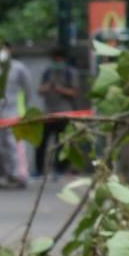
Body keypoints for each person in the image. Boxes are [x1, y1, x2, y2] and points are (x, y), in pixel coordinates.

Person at [0, 41, 34, 187]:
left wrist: (25, 109)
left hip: (14, 111)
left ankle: (21, 174)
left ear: (10, 50)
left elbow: (28, 89)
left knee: (14, 143)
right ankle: (10, 174)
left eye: (3, 49)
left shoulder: (19, 68)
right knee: (0, 144)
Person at [38, 46, 86, 175]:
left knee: (63, 142)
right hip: (48, 113)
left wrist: (59, 89)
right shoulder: (47, 72)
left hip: (65, 113)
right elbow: (40, 90)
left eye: (58, 59)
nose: (56, 61)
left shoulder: (70, 72)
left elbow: (75, 92)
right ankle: (39, 169)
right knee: (41, 142)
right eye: (54, 59)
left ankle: (60, 169)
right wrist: (48, 87)